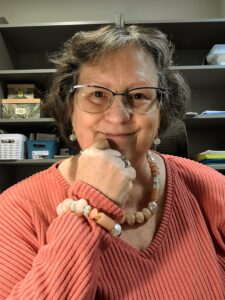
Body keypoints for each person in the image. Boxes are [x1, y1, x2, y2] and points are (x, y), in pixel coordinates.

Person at [0, 25, 224, 300]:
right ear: (69, 106)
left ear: (161, 109)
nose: (118, 117)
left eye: (139, 95)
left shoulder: (210, 187)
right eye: (96, 94)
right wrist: (92, 202)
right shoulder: (17, 209)